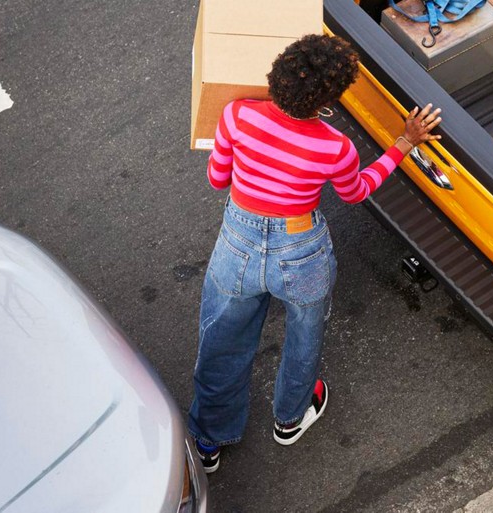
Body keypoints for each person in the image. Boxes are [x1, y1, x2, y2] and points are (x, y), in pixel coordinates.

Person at [188, 33, 442, 474]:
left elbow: (216, 180)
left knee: (223, 340)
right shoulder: (335, 149)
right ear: (329, 98)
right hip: (300, 249)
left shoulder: (236, 116)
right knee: (304, 335)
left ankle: (208, 441)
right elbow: (356, 191)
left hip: (238, 243)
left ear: (278, 72)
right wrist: (404, 143)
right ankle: (290, 417)